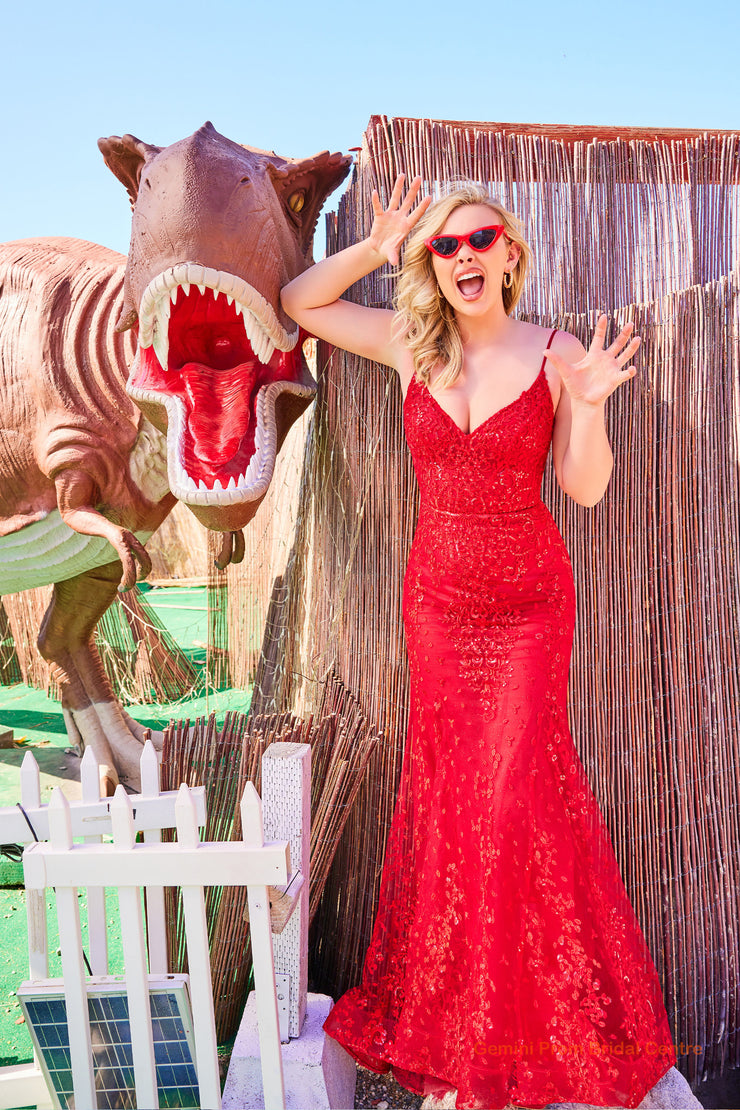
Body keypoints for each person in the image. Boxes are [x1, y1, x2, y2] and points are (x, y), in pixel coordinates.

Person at [280, 176, 681, 1110]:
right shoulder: (411, 344)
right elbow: (302, 303)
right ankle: (461, 1027)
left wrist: (588, 406)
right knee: (456, 801)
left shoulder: (556, 352)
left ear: (510, 255)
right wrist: (376, 248)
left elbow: (584, 488)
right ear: (435, 265)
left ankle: (517, 1027)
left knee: (510, 799)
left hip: (529, 607)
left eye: (479, 241)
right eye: (445, 246)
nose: (463, 256)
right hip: (438, 607)